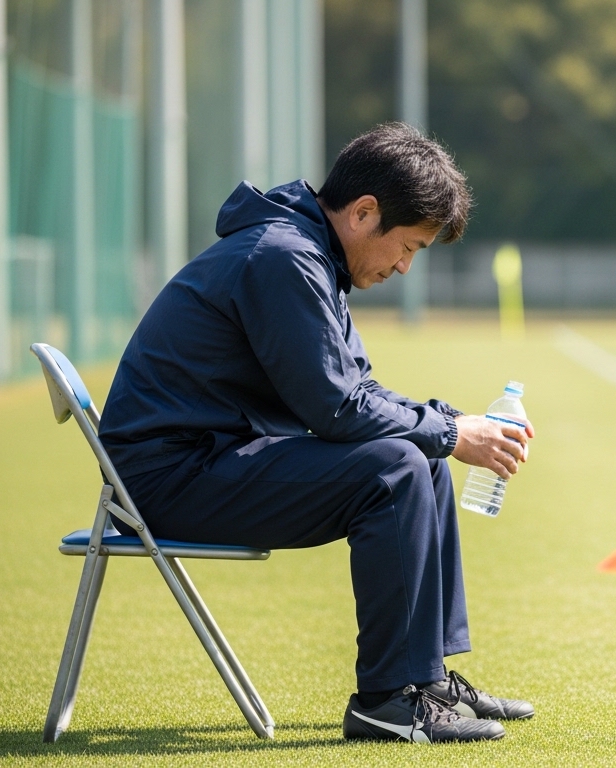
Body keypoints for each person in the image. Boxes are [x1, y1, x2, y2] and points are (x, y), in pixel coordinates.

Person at [98, 123, 533, 744]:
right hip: (166, 478)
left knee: (422, 457)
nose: (404, 267)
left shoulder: (310, 254)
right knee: (397, 469)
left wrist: (454, 426)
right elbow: (336, 410)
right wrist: (449, 430)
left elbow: (360, 392)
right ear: (363, 213)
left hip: (211, 457)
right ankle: (387, 702)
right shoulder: (283, 258)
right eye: (407, 246)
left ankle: (424, 678)